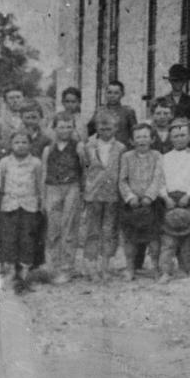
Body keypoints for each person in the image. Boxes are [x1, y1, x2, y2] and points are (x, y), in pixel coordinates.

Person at [119, 122, 168, 281]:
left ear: (152, 139)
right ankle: (130, 268)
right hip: (132, 204)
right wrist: (130, 197)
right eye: (138, 137)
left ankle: (155, 267)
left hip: (151, 203)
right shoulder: (126, 157)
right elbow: (122, 180)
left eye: (145, 136)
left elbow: (158, 178)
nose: (142, 140)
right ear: (132, 141)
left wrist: (149, 196)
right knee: (130, 238)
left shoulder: (157, 156)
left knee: (153, 238)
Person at [0, 130, 46, 287]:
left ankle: (25, 270)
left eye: (24, 142)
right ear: (11, 145)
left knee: (27, 237)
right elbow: (1, 184)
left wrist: (41, 202)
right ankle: (10, 269)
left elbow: (40, 184)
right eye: (17, 142)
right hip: (10, 204)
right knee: (9, 237)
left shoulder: (36, 163)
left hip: (29, 205)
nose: (20, 146)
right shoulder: (5, 162)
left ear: (30, 145)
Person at [80, 112, 125, 280]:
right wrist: (86, 191)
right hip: (93, 194)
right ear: (97, 128)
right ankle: (90, 265)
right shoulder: (89, 146)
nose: (105, 131)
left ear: (116, 128)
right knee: (92, 230)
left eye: (109, 128)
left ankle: (105, 265)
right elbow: (85, 169)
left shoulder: (121, 148)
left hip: (112, 194)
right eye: (102, 127)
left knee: (109, 230)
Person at [40, 116, 85, 282]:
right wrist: (43, 196)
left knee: (69, 227)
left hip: (71, 187)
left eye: (68, 126)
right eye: (61, 127)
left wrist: (82, 190)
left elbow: (84, 169)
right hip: (52, 188)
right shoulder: (48, 149)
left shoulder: (78, 147)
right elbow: (44, 172)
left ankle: (67, 267)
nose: (65, 130)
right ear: (55, 128)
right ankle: (53, 266)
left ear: (73, 128)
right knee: (53, 228)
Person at [158, 120, 190, 279]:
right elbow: (160, 180)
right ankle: (166, 270)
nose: (179, 139)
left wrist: (189, 195)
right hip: (169, 200)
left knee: (187, 238)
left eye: (183, 135)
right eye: (175, 136)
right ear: (170, 137)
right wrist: (165, 196)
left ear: (189, 136)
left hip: (187, 199)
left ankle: (188, 268)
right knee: (168, 239)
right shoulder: (164, 158)